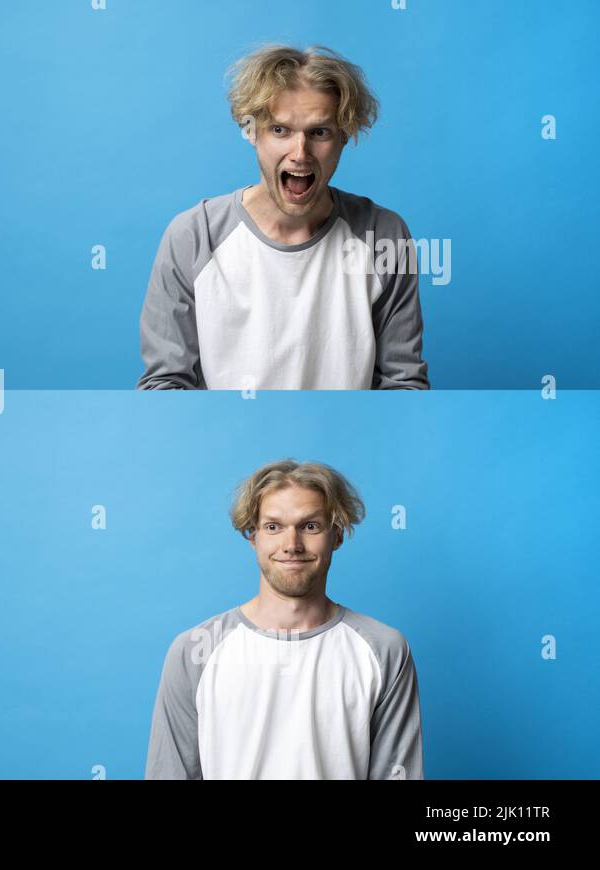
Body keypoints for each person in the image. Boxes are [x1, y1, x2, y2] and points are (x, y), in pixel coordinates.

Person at [137, 45, 429, 390]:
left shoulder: (384, 236)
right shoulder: (193, 236)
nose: (300, 153)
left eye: (320, 132)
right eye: (280, 130)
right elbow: (165, 386)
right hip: (225, 440)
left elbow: (403, 386)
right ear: (251, 132)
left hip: (346, 442)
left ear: (343, 137)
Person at [146, 459, 424, 779]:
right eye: (273, 527)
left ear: (337, 536)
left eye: (310, 526)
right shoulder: (194, 651)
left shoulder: (384, 650)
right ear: (253, 537)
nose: (291, 545)